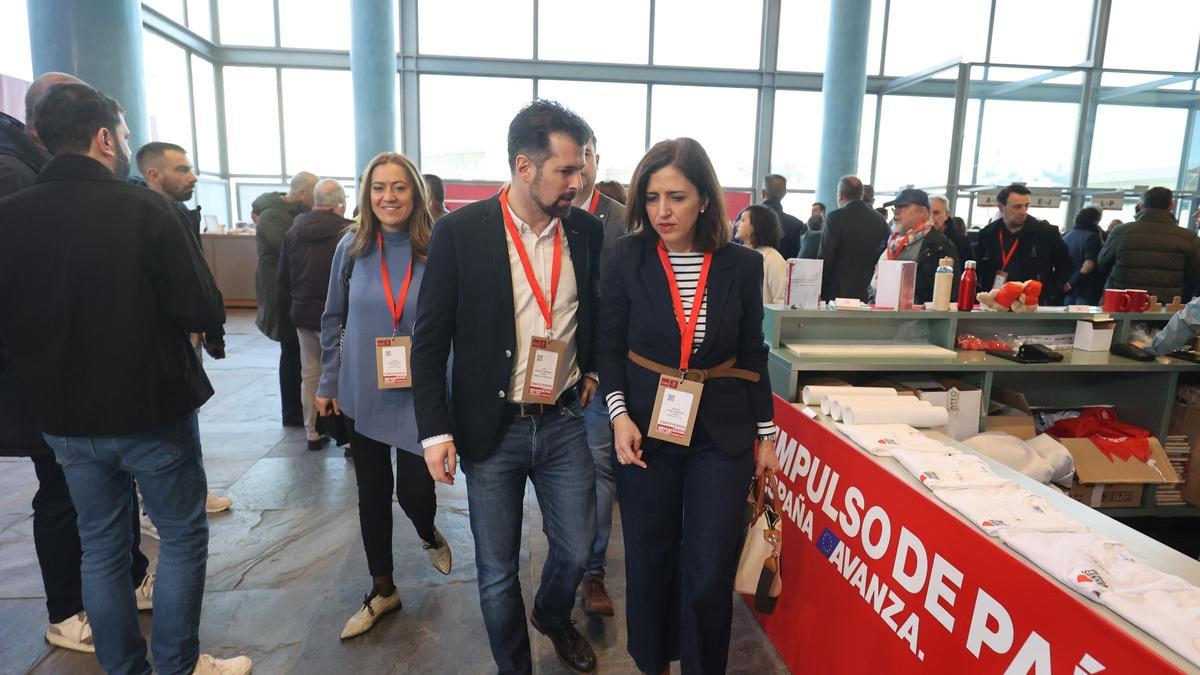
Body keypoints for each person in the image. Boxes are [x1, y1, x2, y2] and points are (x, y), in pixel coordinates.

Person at [0, 82, 249, 675]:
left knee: (102, 547)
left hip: (61, 418)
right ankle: (179, 666)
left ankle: (123, 669)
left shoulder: (8, 217)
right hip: (150, 412)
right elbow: (200, 308)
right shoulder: (144, 209)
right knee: (182, 538)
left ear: (41, 136)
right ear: (104, 138)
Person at [412, 100, 603, 675]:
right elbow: (428, 341)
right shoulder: (460, 233)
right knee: (496, 571)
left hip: (565, 419)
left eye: (582, 167)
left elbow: (592, 310)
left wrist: (590, 368)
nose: (579, 181)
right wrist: (435, 433)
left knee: (575, 549)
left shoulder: (588, 232)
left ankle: (551, 612)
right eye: (566, 171)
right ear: (525, 167)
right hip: (490, 428)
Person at [598, 137, 780, 675]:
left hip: (721, 433)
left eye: (675, 197)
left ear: (704, 197)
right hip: (645, 428)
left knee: (707, 569)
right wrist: (618, 415)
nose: (662, 212)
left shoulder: (740, 265)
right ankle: (651, 664)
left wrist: (766, 435)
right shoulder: (626, 258)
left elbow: (752, 353)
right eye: (651, 198)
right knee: (650, 561)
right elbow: (608, 346)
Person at [0, 71, 161, 656]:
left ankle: (128, 577)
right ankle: (68, 609)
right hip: (47, 381)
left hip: (74, 376)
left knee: (100, 499)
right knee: (69, 500)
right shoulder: (16, 180)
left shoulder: (29, 172)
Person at [315, 153, 452, 639]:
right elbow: (333, 320)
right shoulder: (350, 248)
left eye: (398, 187)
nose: (388, 197)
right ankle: (382, 589)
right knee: (370, 493)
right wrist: (327, 383)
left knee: (416, 492)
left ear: (415, 193)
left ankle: (425, 529)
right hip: (362, 391)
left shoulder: (437, 248)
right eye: (378, 188)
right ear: (366, 194)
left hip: (421, 395)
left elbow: (455, 325)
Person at [138, 141, 234, 514]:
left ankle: (189, 493)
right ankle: (156, 506)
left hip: (186, 335)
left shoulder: (177, 213)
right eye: (182, 169)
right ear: (154, 174)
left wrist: (210, 326)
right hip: (161, 341)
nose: (192, 176)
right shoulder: (144, 218)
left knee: (187, 414)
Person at [572, 129, 627, 619]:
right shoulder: (545, 212)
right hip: (545, 368)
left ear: (595, 157)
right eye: (570, 158)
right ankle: (565, 560)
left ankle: (592, 572)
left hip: (602, 367)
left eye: (586, 155)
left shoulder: (623, 219)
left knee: (598, 464)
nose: (579, 165)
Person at [280, 178, 352, 451]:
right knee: (343, 373)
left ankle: (312, 432)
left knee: (310, 372)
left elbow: (283, 276)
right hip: (337, 318)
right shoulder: (348, 234)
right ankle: (348, 439)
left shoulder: (293, 231)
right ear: (340, 203)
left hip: (302, 314)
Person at [254, 171, 318, 427]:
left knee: (295, 352)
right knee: (291, 353)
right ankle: (291, 412)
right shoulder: (272, 217)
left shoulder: (284, 215)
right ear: (303, 194)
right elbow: (292, 249)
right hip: (280, 295)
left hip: (291, 292)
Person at [973, 183, 1073, 305]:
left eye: (1026, 206)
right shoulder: (988, 233)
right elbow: (980, 266)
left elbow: (1066, 264)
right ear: (1001, 207)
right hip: (997, 300)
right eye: (1017, 207)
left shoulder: (1044, 232)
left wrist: (1051, 290)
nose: (1023, 212)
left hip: (1032, 302)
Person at [1098, 187, 1200, 303]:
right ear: (1172, 205)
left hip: (1122, 303)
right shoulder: (1188, 237)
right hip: (1163, 305)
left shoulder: (1121, 231)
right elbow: (1195, 274)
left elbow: (1102, 263)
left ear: (1142, 206)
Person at [872, 189, 958, 305]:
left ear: (922, 212)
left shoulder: (939, 246)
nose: (896, 212)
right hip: (884, 314)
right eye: (895, 208)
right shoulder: (891, 241)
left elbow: (950, 293)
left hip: (919, 319)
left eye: (903, 207)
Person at [819, 175, 889, 302]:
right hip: (868, 293)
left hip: (837, 292)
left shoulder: (835, 218)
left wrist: (819, 289)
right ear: (861, 195)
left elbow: (825, 257)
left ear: (840, 195)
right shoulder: (880, 220)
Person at [735, 204, 789, 304]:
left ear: (756, 226)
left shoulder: (773, 259)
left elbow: (781, 301)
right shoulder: (739, 254)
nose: (737, 224)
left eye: (742, 220)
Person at [1062, 206, 1107, 306]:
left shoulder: (1065, 236)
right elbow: (1088, 265)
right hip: (1085, 290)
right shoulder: (1092, 237)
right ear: (1095, 221)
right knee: (1083, 320)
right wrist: (1073, 282)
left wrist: (1068, 283)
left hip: (1067, 287)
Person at [760, 173, 806, 259]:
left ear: (762, 193)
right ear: (784, 194)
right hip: (783, 271)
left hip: (748, 272)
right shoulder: (796, 225)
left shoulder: (746, 218)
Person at [930, 195, 972, 263]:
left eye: (936, 213)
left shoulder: (960, 241)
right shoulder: (920, 240)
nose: (931, 218)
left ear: (946, 214)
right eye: (928, 213)